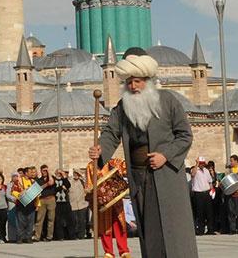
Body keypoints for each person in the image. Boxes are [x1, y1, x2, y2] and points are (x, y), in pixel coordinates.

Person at [89, 50, 198, 257]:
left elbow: (185, 135)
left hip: (167, 175)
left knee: (174, 228)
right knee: (150, 228)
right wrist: (100, 149)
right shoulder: (123, 107)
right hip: (139, 177)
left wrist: (165, 155)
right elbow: (111, 133)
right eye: (129, 82)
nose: (133, 87)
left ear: (147, 80)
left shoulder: (168, 101)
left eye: (137, 81)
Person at [86, 159, 130, 258]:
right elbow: (89, 185)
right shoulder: (91, 166)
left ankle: (124, 251)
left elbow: (126, 169)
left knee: (119, 224)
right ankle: (108, 252)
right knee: (105, 227)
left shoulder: (113, 162)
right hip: (102, 201)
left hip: (116, 199)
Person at [11, 166, 38, 244]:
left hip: (31, 205)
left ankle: (28, 238)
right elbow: (13, 191)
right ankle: (20, 238)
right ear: (26, 173)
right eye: (30, 172)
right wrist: (20, 194)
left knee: (30, 222)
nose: (32, 174)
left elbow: (37, 194)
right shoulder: (19, 181)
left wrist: (37, 204)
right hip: (21, 204)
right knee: (20, 222)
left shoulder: (33, 181)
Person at [190, 156, 214, 235]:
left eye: (203, 163)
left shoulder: (206, 171)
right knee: (200, 213)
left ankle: (210, 229)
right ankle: (201, 230)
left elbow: (210, 182)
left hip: (206, 193)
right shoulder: (194, 169)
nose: (202, 165)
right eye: (200, 163)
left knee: (209, 212)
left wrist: (212, 190)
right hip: (198, 194)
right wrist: (196, 164)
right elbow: (192, 174)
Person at [34, 164, 57, 241]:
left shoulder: (51, 178)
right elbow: (38, 189)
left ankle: (49, 236)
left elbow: (51, 182)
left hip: (51, 199)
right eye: (43, 170)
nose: (44, 172)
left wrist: (49, 173)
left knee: (51, 219)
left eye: (46, 170)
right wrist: (46, 184)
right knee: (39, 219)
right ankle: (37, 236)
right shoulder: (38, 180)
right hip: (42, 199)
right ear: (40, 171)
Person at [68, 168, 88, 240]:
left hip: (82, 204)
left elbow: (87, 188)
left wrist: (82, 177)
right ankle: (74, 235)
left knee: (82, 221)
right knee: (74, 221)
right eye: (74, 173)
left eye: (77, 173)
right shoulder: (70, 181)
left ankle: (81, 235)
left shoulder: (82, 182)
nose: (75, 175)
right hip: (73, 204)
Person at [53, 168, 73, 240]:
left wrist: (64, 177)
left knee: (69, 219)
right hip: (57, 202)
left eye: (60, 173)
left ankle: (71, 235)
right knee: (59, 220)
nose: (59, 174)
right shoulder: (53, 180)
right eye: (58, 173)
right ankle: (60, 236)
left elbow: (68, 185)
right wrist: (61, 187)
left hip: (66, 202)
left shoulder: (64, 180)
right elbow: (54, 189)